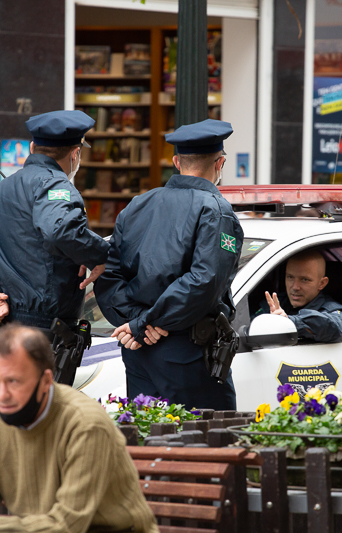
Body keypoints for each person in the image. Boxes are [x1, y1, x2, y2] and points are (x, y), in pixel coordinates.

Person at [0, 325, 158, 533]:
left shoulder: (85, 424)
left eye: (13, 381)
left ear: (46, 381)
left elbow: (67, 525)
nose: (1, 395)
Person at [95, 119, 243, 411]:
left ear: (176, 162)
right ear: (220, 163)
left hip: (139, 350)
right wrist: (147, 322)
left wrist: (139, 321)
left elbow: (107, 274)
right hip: (187, 352)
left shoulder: (136, 206)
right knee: (205, 442)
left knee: (149, 438)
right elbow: (205, 281)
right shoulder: (216, 210)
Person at [0, 110, 110, 328]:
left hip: (2, 326)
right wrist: (100, 255)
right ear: (75, 154)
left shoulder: (0, 191)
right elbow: (60, 232)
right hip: (45, 330)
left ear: (31, 148)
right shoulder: (56, 184)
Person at [258, 250, 342, 343]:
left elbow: (338, 327)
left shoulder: (333, 310)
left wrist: (290, 322)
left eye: (304, 280)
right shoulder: (274, 303)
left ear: (322, 283)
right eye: (290, 277)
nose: (295, 287)